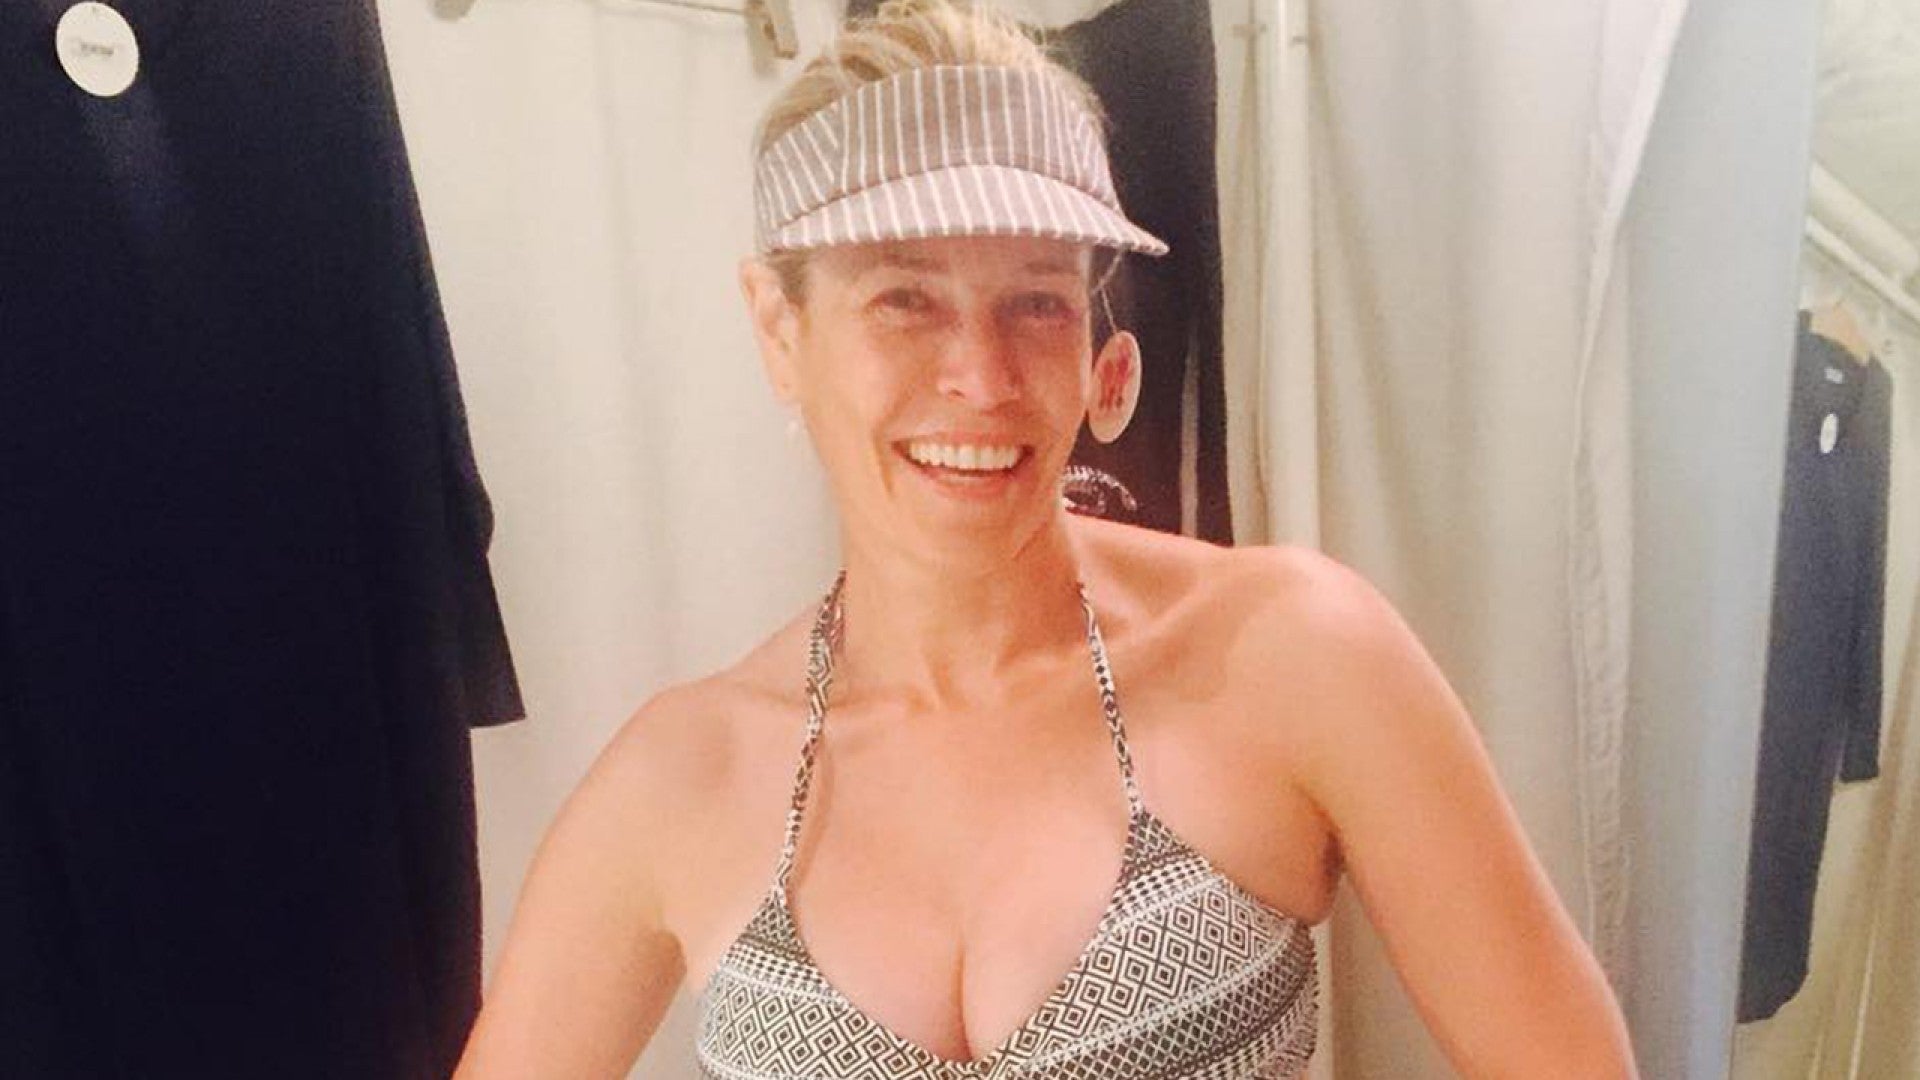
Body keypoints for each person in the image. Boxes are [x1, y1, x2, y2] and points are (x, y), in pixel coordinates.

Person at [453, 1, 1640, 1076]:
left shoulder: (1292, 655)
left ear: (1094, 345)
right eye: (904, 298)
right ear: (779, 329)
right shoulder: (686, 776)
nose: (981, 376)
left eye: (1036, 301)